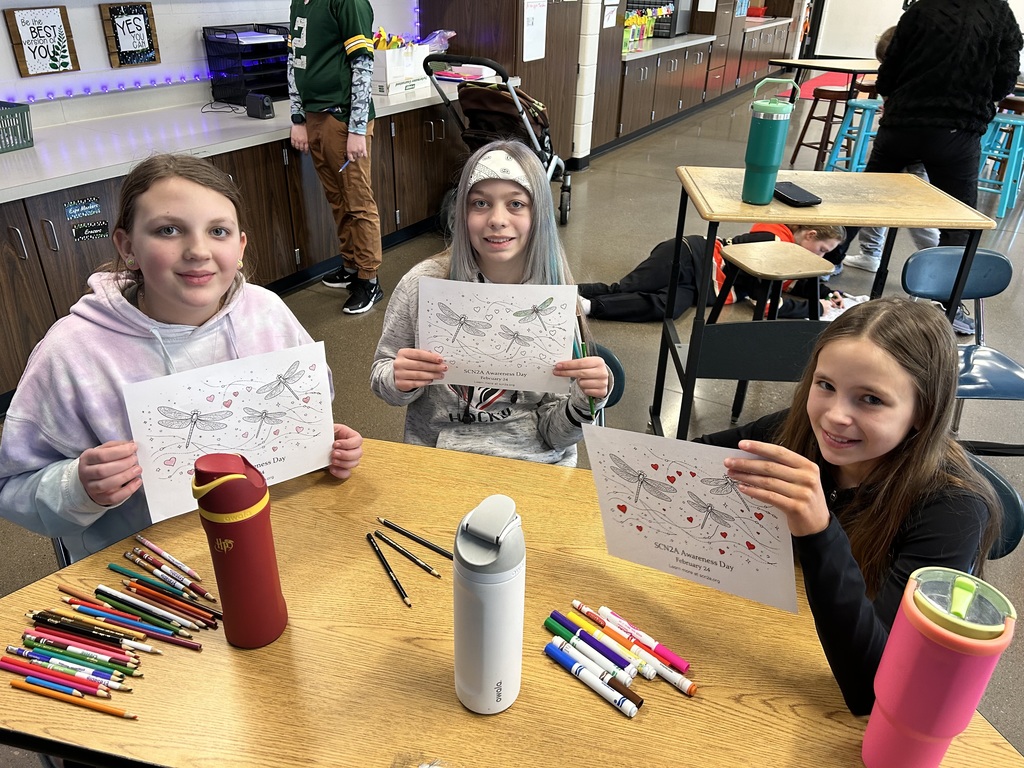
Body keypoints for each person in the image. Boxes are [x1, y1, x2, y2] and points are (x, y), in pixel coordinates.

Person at [0, 154, 364, 565]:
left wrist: (326, 445)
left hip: (275, 537)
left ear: (240, 245)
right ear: (127, 246)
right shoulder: (71, 353)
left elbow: (311, 406)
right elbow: (12, 484)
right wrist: (78, 487)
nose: (198, 250)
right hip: (150, 567)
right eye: (168, 230)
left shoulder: (267, 312)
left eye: (218, 231)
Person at [697, 297, 1000, 715]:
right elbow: (688, 458)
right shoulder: (799, 431)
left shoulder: (953, 510)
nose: (835, 416)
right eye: (825, 385)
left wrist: (819, 533)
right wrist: (592, 403)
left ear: (922, 412)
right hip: (763, 640)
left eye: (870, 399)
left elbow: (872, 688)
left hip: (834, 699)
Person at [370, 140, 610, 466]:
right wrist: (399, 380)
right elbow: (382, 376)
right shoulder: (421, 286)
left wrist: (585, 402)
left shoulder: (554, 297)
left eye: (515, 204)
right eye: (481, 203)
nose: (497, 219)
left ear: (538, 213)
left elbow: (557, 436)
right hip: (440, 462)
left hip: (536, 467)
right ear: (462, 212)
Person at [857, 0, 1022, 249]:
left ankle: (819, 270)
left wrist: (892, 98)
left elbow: (890, 66)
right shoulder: (999, 12)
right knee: (959, 223)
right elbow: (1007, 74)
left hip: (902, 123)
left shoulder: (922, 7)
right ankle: (945, 284)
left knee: (861, 203)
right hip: (958, 130)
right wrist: (984, 99)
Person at [287, 0, 384, 314]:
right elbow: (294, 60)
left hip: (342, 118)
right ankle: (351, 265)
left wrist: (356, 128)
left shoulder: (347, 1)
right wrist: (298, 118)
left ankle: (369, 279)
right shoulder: (299, 3)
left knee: (358, 202)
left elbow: (362, 62)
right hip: (315, 117)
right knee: (337, 200)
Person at [578, 223, 844, 323]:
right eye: (821, 250)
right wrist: (815, 310)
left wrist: (829, 293)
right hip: (688, 255)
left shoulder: (789, 255)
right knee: (625, 288)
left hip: (698, 288)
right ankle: (565, 290)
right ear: (809, 234)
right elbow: (765, 303)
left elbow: (792, 286)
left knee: (665, 308)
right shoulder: (771, 241)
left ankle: (587, 307)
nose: (818, 258)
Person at [843, 26, 939, 275]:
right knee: (872, 201)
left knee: (917, 213)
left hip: (917, 151)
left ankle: (940, 261)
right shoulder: (902, 77)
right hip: (893, 143)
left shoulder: (924, 79)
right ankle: (870, 254)